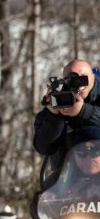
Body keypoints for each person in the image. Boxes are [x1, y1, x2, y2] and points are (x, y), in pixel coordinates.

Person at [34, 59, 100, 188]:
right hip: (69, 176)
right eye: (72, 80)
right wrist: (54, 115)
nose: (79, 86)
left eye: (83, 79)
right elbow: (44, 147)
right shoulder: (59, 99)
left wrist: (83, 111)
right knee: (45, 193)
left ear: (93, 78)